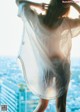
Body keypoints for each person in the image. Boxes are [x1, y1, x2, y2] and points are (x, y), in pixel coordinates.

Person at [16, 0, 80, 112]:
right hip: (61, 66)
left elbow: (20, 2)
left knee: (42, 105)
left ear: (50, 5)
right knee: (61, 107)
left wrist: (38, 6)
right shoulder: (64, 23)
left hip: (45, 66)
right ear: (64, 10)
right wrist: (73, 4)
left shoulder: (36, 19)